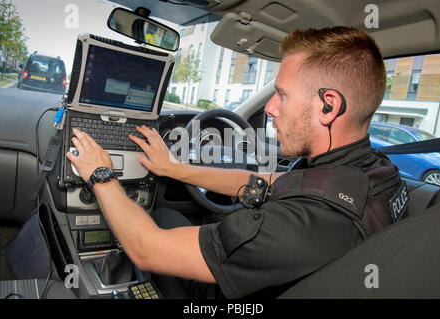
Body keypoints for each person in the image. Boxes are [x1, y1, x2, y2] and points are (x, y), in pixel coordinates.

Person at [67, 26, 404, 298]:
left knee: (163, 218)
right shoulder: (374, 172)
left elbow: (146, 249)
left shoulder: (298, 226)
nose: (270, 108)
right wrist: (174, 168)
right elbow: (267, 183)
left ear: (328, 107)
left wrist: (102, 174)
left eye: (282, 95)